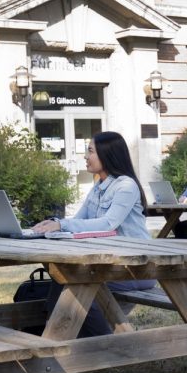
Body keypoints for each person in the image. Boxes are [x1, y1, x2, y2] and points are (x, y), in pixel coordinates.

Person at [30, 131, 155, 337]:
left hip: (137, 267)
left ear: (108, 154)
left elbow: (107, 224)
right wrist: (52, 226)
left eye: (90, 151)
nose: (86, 157)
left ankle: (103, 343)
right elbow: (80, 220)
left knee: (81, 283)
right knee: (60, 276)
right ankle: (52, 335)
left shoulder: (126, 186)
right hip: (110, 264)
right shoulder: (97, 187)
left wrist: (62, 225)